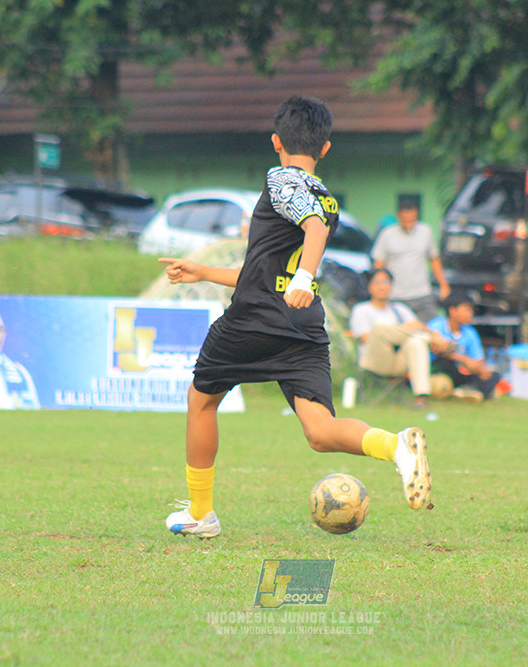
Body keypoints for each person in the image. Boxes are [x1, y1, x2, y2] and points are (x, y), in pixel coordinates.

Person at [159, 96, 431, 539]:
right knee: (320, 432)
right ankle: (396, 447)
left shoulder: (280, 180)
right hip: (302, 325)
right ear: (325, 150)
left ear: (275, 142)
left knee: (201, 401)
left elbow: (313, 231)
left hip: (253, 321)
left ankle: (201, 513)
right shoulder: (328, 198)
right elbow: (267, 270)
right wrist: (204, 271)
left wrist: (304, 277)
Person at [349, 268, 449, 410]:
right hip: (374, 359)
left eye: (386, 282)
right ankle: (434, 340)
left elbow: (418, 325)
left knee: (416, 342)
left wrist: (407, 332)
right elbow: (367, 338)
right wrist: (408, 330)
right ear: (370, 286)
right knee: (380, 329)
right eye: (377, 282)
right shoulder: (361, 310)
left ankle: (421, 397)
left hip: (396, 360)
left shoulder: (399, 309)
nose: (382, 286)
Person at [370, 199, 450, 322]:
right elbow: (378, 263)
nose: (408, 223)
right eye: (405, 220)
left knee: (429, 330)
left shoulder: (425, 231)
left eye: (412, 219)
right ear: (398, 217)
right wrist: (380, 288)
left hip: (422, 294)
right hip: (396, 296)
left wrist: (443, 285)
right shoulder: (388, 234)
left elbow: (434, 259)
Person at [427, 293, 503, 402]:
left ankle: (466, 391)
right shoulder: (436, 325)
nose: (470, 314)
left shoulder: (470, 332)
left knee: (493, 376)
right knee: (445, 363)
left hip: (462, 371)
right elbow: (437, 350)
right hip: (441, 367)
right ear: (453, 311)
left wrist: (480, 369)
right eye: (467, 310)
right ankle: (474, 391)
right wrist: (463, 359)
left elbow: (478, 359)